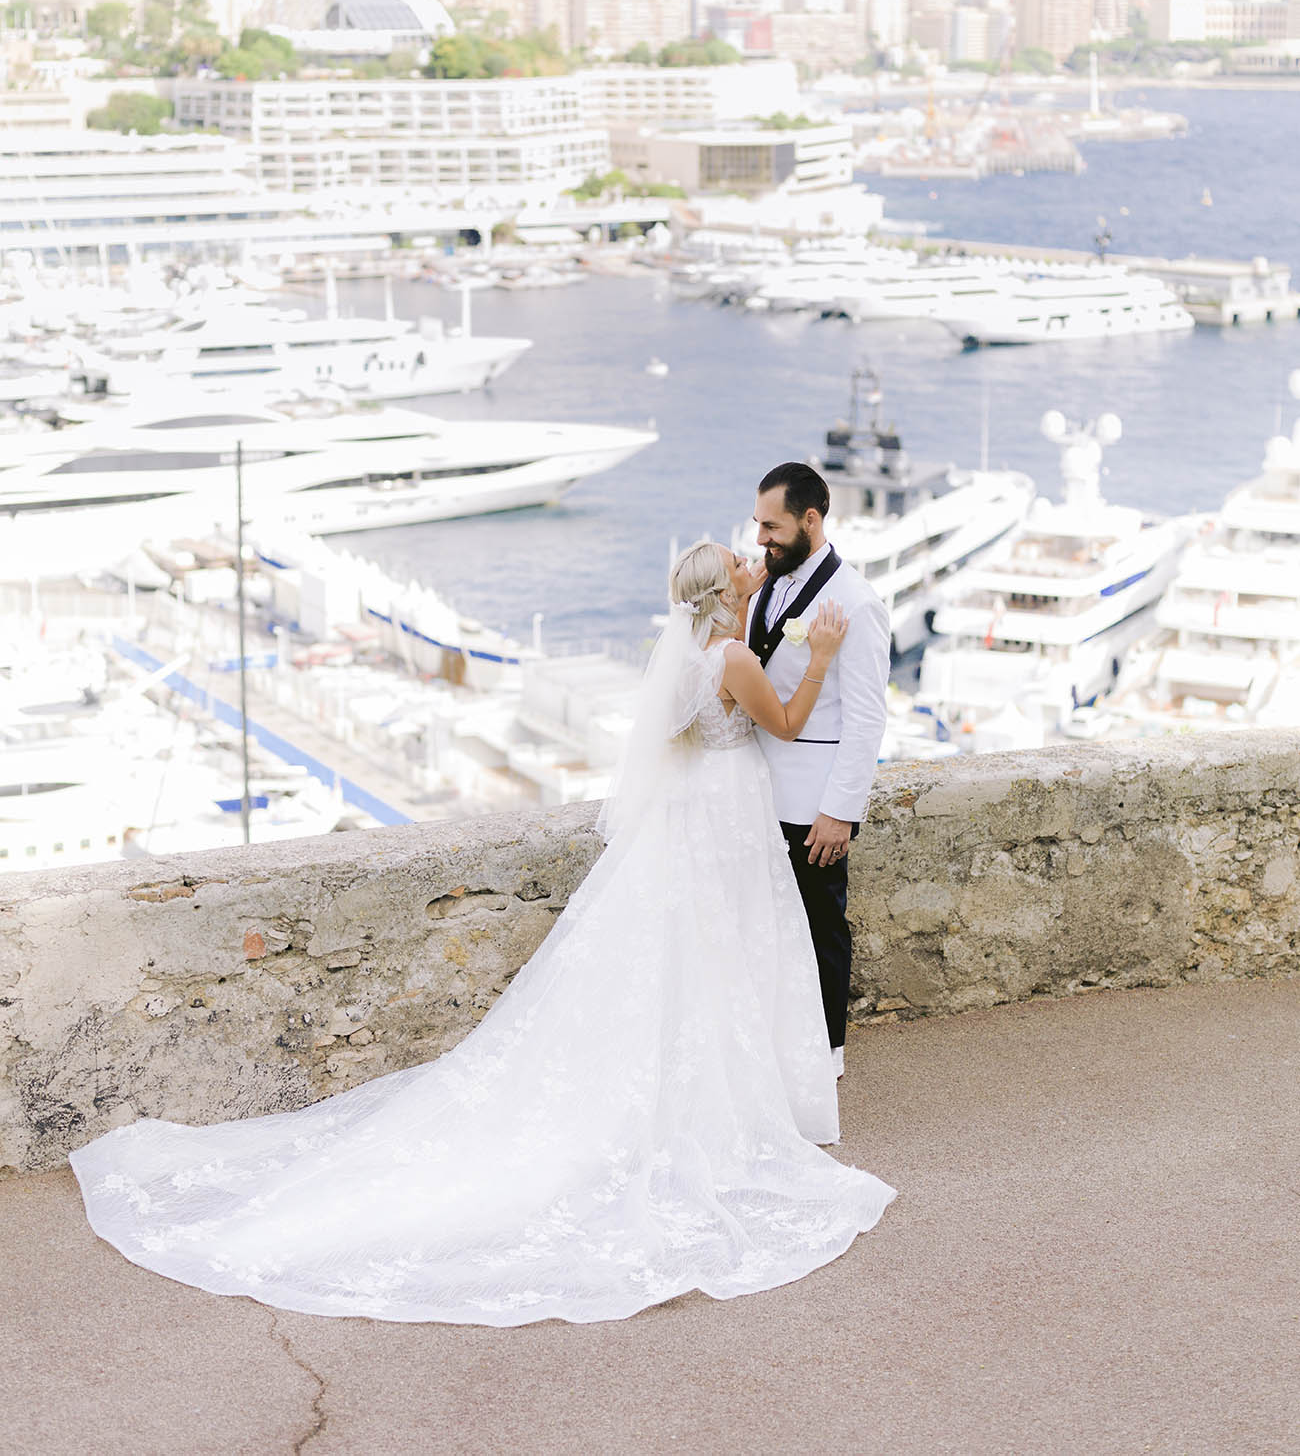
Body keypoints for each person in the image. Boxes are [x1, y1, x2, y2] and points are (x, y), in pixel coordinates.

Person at [69, 541, 895, 1327]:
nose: (754, 562)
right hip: (729, 811)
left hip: (695, 814)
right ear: (727, 593)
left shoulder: (688, 657)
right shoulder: (737, 659)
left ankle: (711, 1083)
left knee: (700, 953)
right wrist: (820, 652)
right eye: (741, 561)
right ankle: (733, 1096)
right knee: (723, 948)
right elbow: (784, 723)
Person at [736, 462, 891, 1076]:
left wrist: (839, 812)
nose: (760, 540)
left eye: (771, 527)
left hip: (811, 802)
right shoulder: (765, 585)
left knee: (819, 928)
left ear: (810, 519)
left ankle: (826, 1056)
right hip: (753, 789)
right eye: (756, 526)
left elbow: (866, 718)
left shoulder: (856, 601)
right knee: (765, 927)